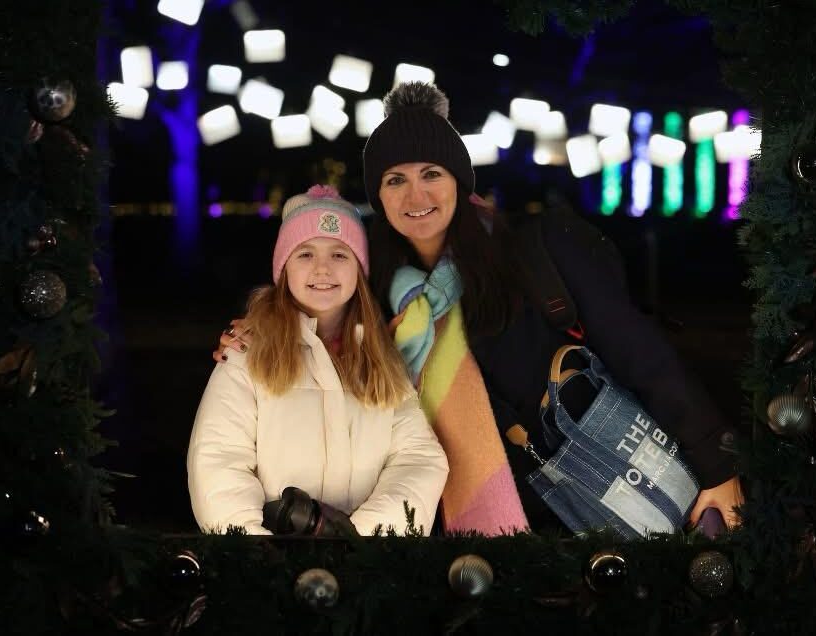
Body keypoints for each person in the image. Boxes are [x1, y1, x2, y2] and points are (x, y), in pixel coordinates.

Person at [218, 83, 744, 537]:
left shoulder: (534, 250)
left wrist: (717, 465)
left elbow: (640, 352)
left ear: (459, 179)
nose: (415, 196)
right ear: (378, 194)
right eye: (395, 180)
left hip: (601, 487)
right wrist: (258, 331)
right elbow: (325, 338)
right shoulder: (376, 286)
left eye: (431, 173)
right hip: (458, 530)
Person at [189, 185, 448, 537]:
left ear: (358, 271)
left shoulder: (381, 360)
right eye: (305, 254)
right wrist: (257, 550)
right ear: (284, 269)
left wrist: (362, 542)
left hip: (365, 561)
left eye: (340, 254)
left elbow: (418, 460)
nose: (322, 268)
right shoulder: (248, 355)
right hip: (272, 560)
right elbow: (218, 460)